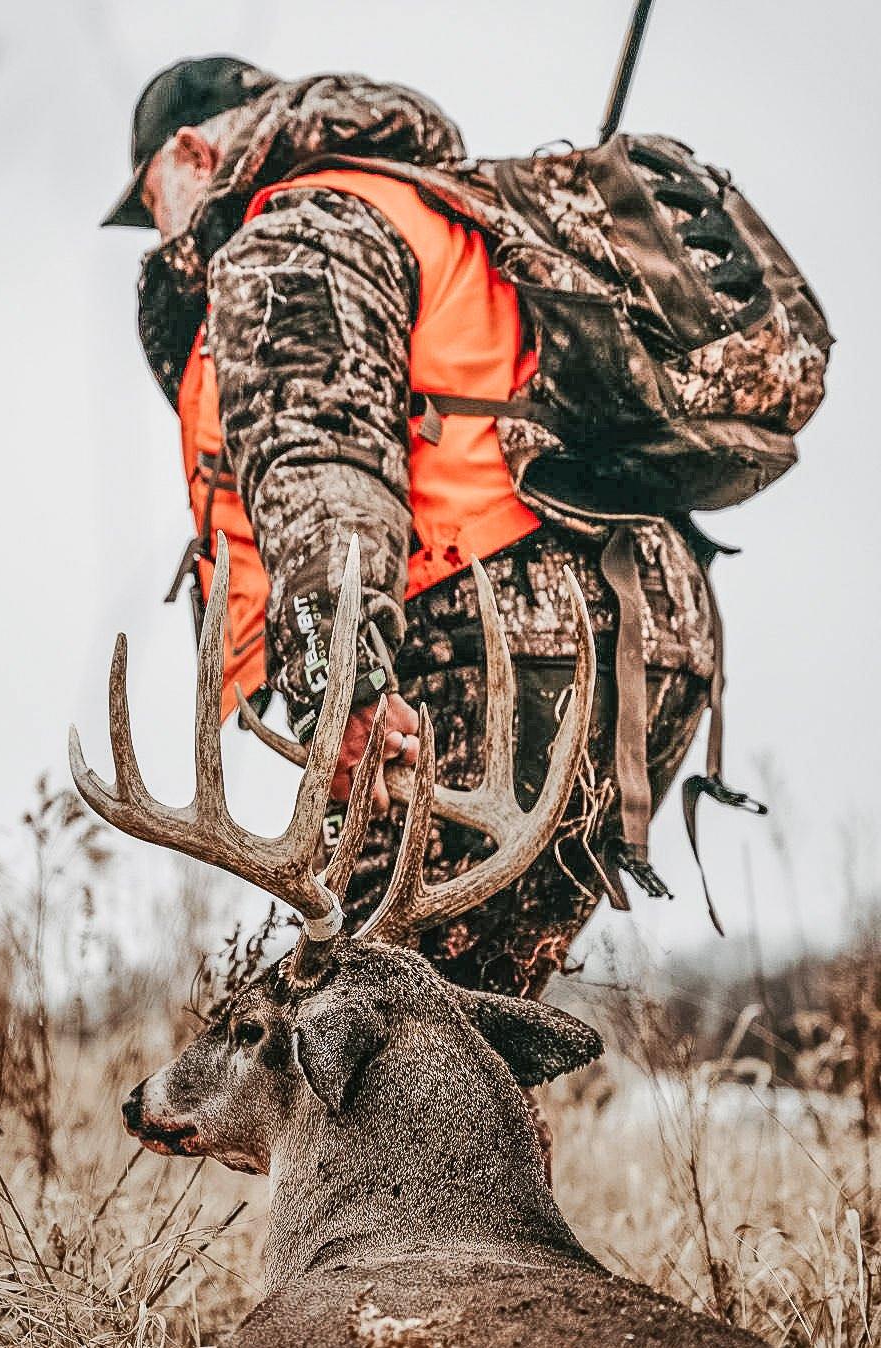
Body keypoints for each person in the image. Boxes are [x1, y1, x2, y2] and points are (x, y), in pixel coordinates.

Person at [102, 57, 716, 999]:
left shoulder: (293, 227)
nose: (164, 231)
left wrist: (333, 680)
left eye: (154, 199)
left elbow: (321, 460)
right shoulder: (432, 207)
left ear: (191, 151)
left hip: (495, 633)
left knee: (355, 1030)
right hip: (644, 627)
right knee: (465, 1029)